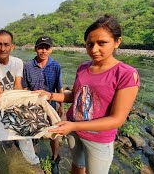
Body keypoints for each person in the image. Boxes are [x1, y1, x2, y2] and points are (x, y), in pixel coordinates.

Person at [37, 15, 140, 174]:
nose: (94, 49)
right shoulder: (83, 67)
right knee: (77, 166)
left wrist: (73, 125)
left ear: (117, 41)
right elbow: (76, 96)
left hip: (98, 139)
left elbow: (117, 119)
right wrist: (49, 95)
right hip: (74, 131)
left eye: (102, 43)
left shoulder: (126, 74)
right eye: (90, 44)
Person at [0, 30, 40, 165]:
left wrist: (20, 106)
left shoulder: (18, 62)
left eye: (6, 45)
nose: (3, 49)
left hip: (13, 103)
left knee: (24, 134)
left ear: (12, 46)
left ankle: (33, 162)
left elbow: (17, 85)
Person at [22, 36, 65, 174]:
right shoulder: (28, 66)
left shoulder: (56, 66)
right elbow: (24, 88)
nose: (43, 50)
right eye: (41, 47)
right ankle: (35, 160)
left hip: (51, 105)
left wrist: (61, 107)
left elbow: (59, 88)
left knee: (54, 133)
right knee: (34, 133)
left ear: (51, 49)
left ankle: (55, 158)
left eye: (47, 48)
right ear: (35, 48)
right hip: (33, 107)